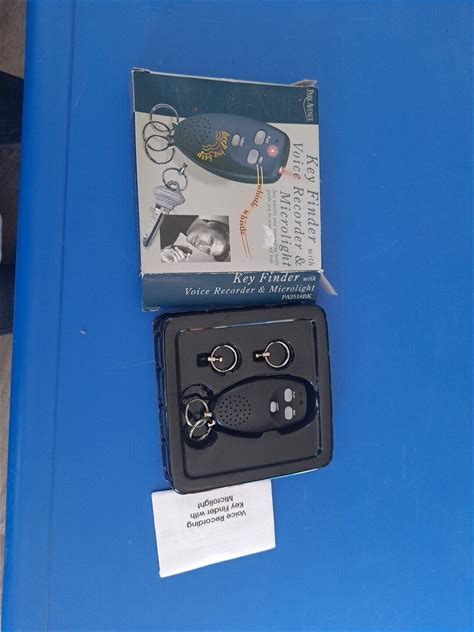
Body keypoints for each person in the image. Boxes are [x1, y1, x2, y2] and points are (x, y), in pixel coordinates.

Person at [160, 215, 230, 263]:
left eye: (207, 250)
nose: (201, 245)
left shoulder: (169, 239)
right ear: (212, 224)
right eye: (210, 241)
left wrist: (161, 253)